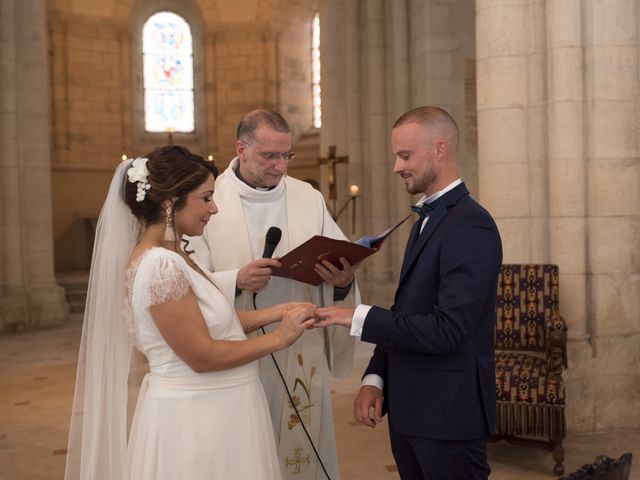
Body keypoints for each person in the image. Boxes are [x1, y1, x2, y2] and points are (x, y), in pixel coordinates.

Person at [64, 145, 318, 480]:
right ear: (170, 202)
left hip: (218, 406)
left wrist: (277, 312)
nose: (214, 208)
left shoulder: (175, 254)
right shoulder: (160, 265)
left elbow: (209, 323)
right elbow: (203, 355)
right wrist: (279, 338)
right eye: (206, 198)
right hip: (198, 418)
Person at [315, 107, 503, 480]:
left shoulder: (470, 224)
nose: (396, 167)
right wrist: (375, 378)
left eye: (405, 155)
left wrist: (358, 316)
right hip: (411, 411)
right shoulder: (426, 223)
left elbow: (448, 329)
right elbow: (407, 311)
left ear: (440, 149)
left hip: (449, 415)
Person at [193, 109, 359, 480]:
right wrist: (236, 278)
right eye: (270, 156)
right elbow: (187, 280)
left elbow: (337, 255)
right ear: (241, 148)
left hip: (299, 347)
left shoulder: (307, 197)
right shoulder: (207, 199)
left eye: (287, 155)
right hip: (237, 348)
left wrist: (343, 280)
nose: (281, 166)